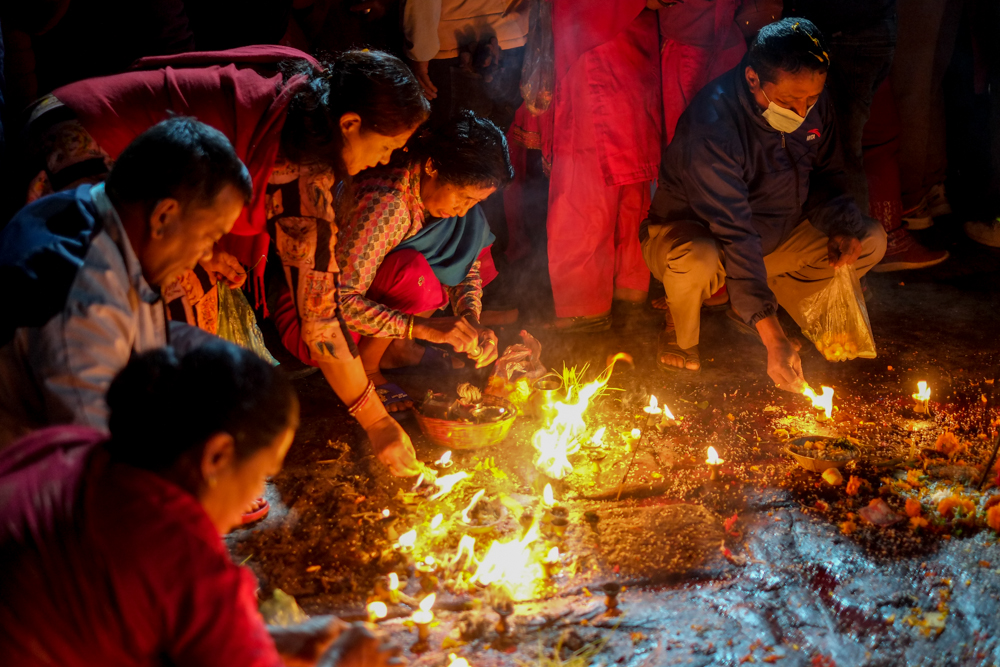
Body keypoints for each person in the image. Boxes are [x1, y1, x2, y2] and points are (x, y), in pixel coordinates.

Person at [19, 47, 431, 476]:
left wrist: (205, 249)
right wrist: (377, 423)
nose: (385, 160)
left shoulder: (311, 101)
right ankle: (148, 471)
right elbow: (321, 319)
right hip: (79, 141)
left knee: (189, 297)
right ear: (350, 124)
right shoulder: (300, 166)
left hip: (70, 113)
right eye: (386, 146)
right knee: (159, 312)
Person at [0, 342, 399, 667]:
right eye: (263, 472)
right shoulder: (187, 565)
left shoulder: (66, 447)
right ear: (217, 457)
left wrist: (266, 640)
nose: (258, 492)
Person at [641, 18, 887, 388]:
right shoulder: (714, 125)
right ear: (753, 78)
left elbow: (828, 177)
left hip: (774, 238)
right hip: (708, 242)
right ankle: (683, 332)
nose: (802, 111)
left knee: (868, 238)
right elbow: (735, 232)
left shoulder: (814, 105)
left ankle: (758, 307)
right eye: (789, 101)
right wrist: (774, 341)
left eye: (811, 99)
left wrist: (841, 224)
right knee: (697, 258)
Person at [0, 117, 248, 448]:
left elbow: (139, 334)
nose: (205, 255)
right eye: (209, 237)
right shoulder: (79, 297)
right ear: (164, 216)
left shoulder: (97, 209)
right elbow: (97, 461)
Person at [279, 111, 512, 411]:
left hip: (360, 307)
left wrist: (470, 318)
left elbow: (466, 263)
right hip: (316, 323)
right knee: (418, 277)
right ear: (432, 166)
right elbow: (334, 304)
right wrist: (422, 329)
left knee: (430, 273)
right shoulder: (388, 204)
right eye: (463, 197)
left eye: (474, 202)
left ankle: (394, 350)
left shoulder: (441, 202)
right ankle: (369, 367)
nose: (464, 210)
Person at [787, 0, 948, 271]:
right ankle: (856, 259)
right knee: (846, 145)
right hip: (864, 25)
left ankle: (853, 268)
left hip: (847, 29)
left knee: (843, 149)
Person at [543, 0, 662, 332]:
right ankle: (589, 303)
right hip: (595, 46)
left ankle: (616, 298)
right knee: (588, 185)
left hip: (630, 50)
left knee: (629, 179)